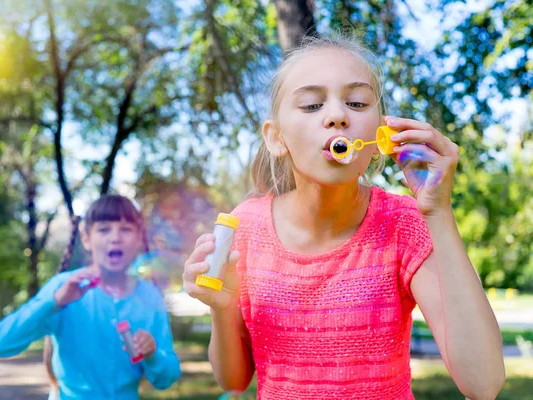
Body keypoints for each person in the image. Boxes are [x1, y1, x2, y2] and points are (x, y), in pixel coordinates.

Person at [183, 32, 505, 399]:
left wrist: (439, 211)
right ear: (276, 138)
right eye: (310, 106)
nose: (337, 116)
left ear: (379, 129)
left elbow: (484, 384)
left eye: (356, 102)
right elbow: (234, 380)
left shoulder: (403, 223)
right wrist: (222, 309)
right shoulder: (246, 230)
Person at [0, 194, 181, 400]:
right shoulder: (64, 288)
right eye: (104, 229)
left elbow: (166, 379)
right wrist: (54, 302)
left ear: (137, 238)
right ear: (86, 239)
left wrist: (153, 355)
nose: (115, 237)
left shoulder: (149, 296)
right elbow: (0, 345)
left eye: (126, 229)